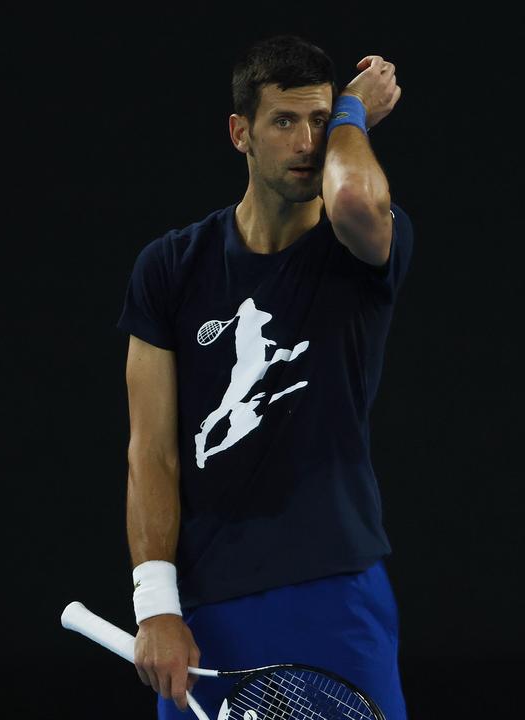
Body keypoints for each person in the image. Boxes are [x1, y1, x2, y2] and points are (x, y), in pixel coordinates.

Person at [116, 34, 412, 719]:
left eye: (319, 121)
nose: (307, 141)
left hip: (333, 590)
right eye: (285, 121)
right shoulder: (169, 267)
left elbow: (357, 205)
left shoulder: (360, 247)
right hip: (205, 607)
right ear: (239, 132)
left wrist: (352, 116)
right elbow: (151, 451)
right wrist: (156, 604)